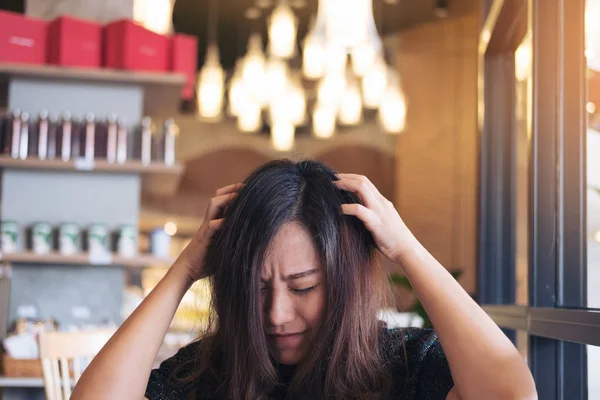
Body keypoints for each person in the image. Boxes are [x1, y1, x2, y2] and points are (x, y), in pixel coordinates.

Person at [72, 159, 537, 400]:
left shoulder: (405, 367)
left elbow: (511, 395)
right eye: (256, 287)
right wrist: (187, 268)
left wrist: (407, 249)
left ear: (344, 280)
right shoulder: (210, 374)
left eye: (303, 287)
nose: (276, 314)